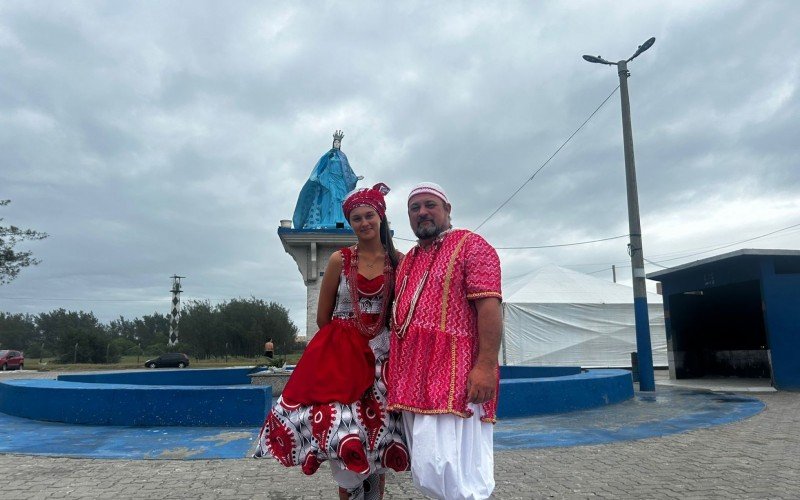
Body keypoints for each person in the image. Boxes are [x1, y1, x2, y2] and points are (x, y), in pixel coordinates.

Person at [255, 183, 409, 500]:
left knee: (379, 437)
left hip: (384, 362)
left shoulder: (399, 261)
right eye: (356, 218)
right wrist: (345, 343)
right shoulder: (340, 260)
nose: (364, 223)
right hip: (342, 359)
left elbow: (403, 311)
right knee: (344, 434)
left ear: (380, 217)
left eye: (369, 216)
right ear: (350, 223)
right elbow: (323, 317)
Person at [388, 182, 503, 500]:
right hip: (414, 381)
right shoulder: (408, 260)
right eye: (415, 208)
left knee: (454, 471)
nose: (422, 212)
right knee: (427, 469)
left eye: (430, 205)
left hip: (457, 377)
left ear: (447, 210)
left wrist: (485, 367)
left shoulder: (472, 245)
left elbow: (490, 309)